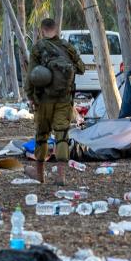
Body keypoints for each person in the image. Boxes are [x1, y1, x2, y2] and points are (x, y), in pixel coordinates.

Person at [24, 18, 84, 185]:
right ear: (56, 30)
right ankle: (61, 177)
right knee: (62, 136)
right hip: (64, 99)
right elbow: (82, 69)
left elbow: (31, 75)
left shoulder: (38, 48)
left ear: (42, 31)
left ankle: (40, 175)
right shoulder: (67, 47)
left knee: (42, 136)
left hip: (43, 100)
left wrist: (30, 96)